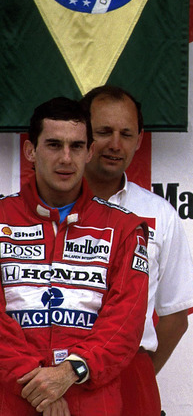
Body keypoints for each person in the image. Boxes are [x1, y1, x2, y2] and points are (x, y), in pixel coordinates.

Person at [0, 97, 150, 415]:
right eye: (54, 145)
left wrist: (68, 373)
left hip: (91, 401)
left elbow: (125, 324)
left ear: (89, 152)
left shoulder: (125, 228)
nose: (66, 158)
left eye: (76, 146)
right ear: (30, 150)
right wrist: (41, 387)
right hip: (11, 401)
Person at [80, 86, 193, 416]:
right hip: (52, 370)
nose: (115, 144)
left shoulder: (159, 213)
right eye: (104, 132)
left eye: (126, 133)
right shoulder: (46, 207)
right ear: (81, 132)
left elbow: (175, 317)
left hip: (131, 376)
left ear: (140, 139)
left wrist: (138, 373)